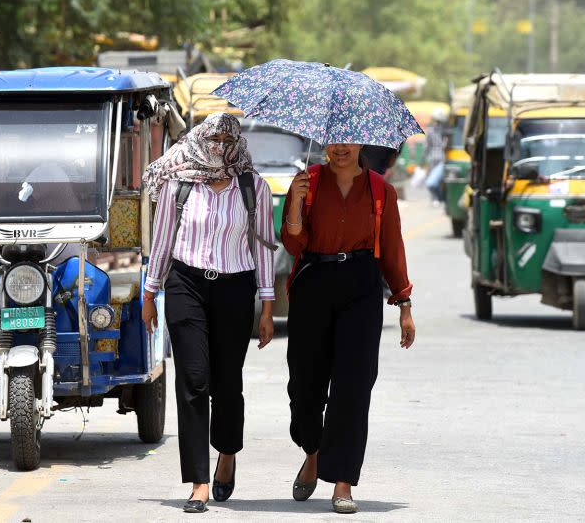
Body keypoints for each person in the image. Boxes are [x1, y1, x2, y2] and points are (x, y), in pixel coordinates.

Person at [141, 112, 276, 514]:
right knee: (194, 381)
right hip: (186, 285)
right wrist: (150, 293)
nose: (220, 146)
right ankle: (199, 480)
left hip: (236, 289)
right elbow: (163, 240)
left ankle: (227, 453)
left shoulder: (254, 187)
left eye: (227, 140)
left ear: (238, 144)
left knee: (227, 383)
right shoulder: (178, 184)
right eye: (213, 138)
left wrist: (267, 306)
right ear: (200, 139)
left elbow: (264, 248)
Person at [282, 143, 415, 514]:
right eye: (333, 141)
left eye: (348, 141)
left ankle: (342, 481)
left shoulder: (379, 189)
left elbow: (392, 247)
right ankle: (313, 450)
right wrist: (294, 203)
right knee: (304, 385)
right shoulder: (306, 181)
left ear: (360, 144)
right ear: (324, 144)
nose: (340, 148)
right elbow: (293, 243)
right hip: (313, 281)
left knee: (354, 387)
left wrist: (404, 303)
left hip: (361, 285)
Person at [424, 109, 449, 205]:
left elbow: (426, 147)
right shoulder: (445, 131)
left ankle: (436, 198)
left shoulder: (430, 131)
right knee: (440, 178)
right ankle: (439, 198)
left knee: (432, 178)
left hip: (433, 158)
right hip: (442, 157)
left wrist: (422, 161)